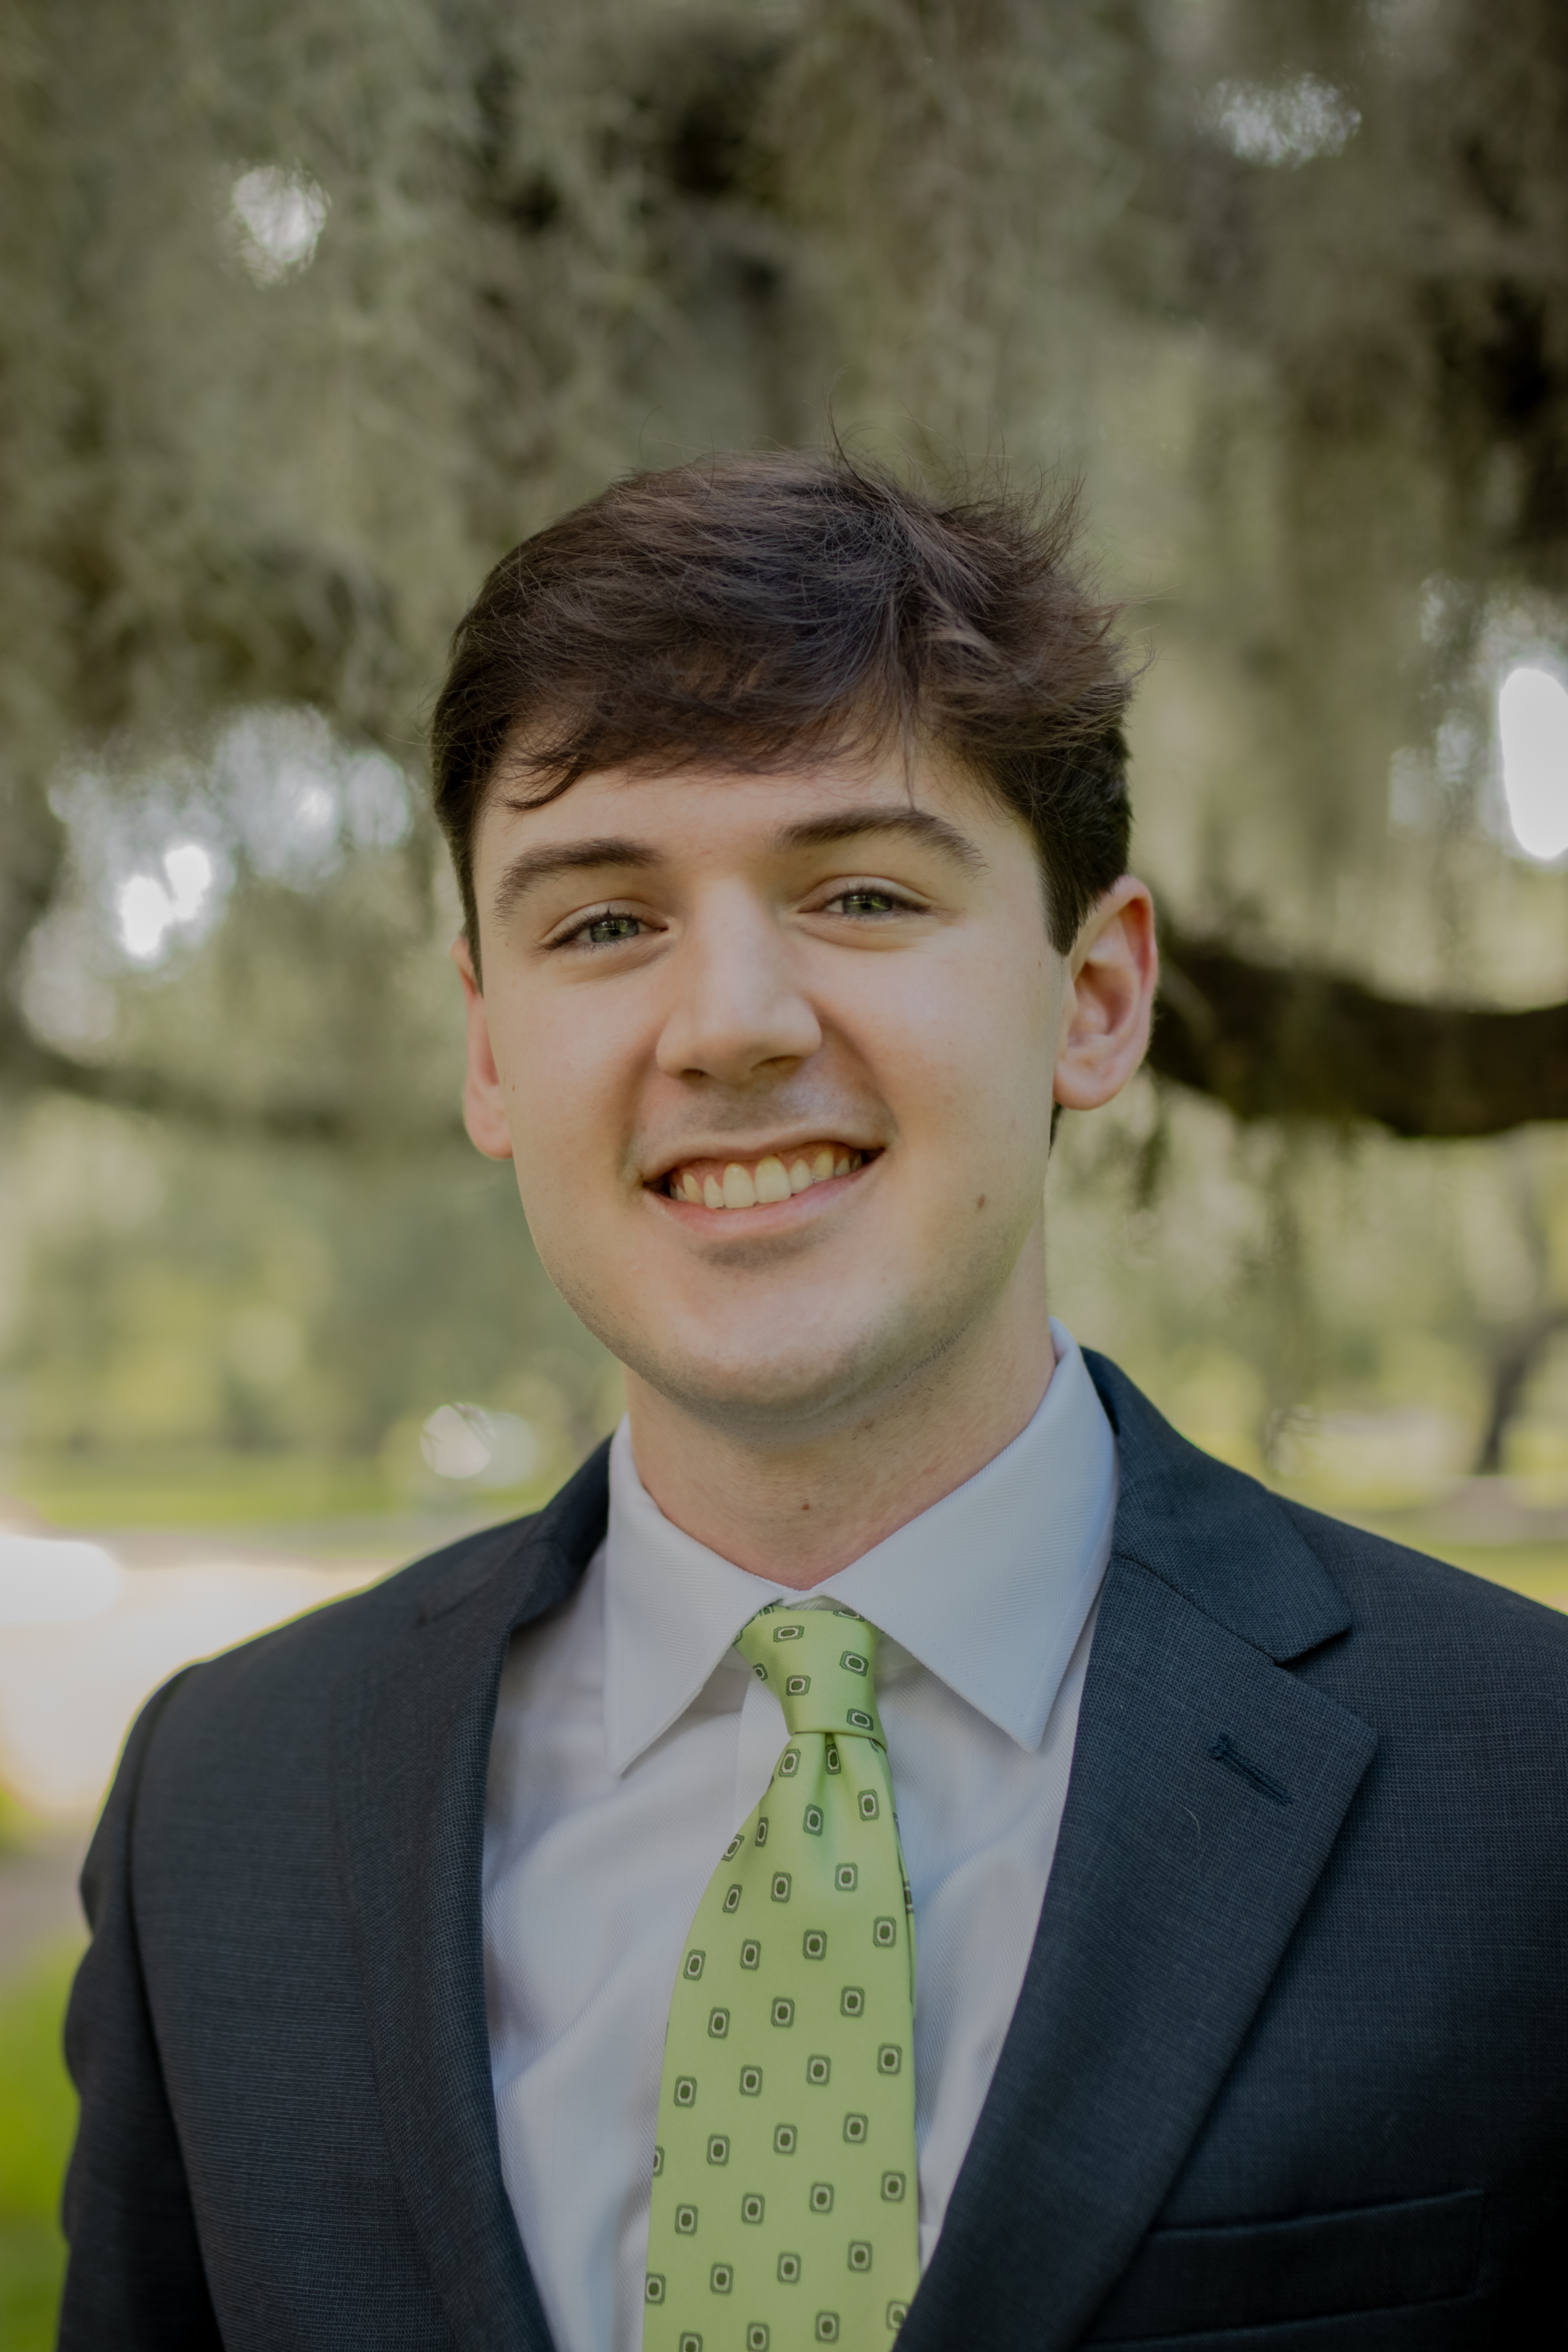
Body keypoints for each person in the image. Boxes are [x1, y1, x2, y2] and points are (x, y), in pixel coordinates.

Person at [59, 454, 1568, 2352]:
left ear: (1095, 1000)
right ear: (487, 1046)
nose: (731, 1023)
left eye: (858, 892)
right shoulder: (229, 1810)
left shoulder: (1529, 1790)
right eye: (602, 924)